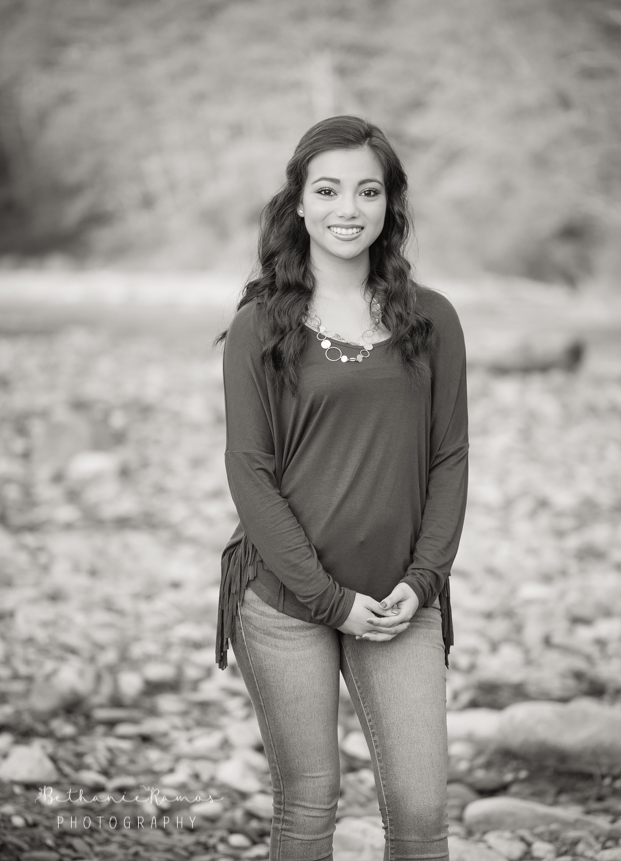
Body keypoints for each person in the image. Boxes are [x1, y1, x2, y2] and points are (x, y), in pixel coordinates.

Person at [214, 115, 469, 861]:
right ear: (298, 202)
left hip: (401, 600)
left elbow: (449, 458)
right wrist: (328, 601)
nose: (347, 209)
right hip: (284, 602)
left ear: (390, 202)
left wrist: (423, 581)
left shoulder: (433, 320)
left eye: (367, 190)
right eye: (327, 190)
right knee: (306, 806)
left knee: (421, 815)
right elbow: (249, 471)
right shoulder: (258, 327)